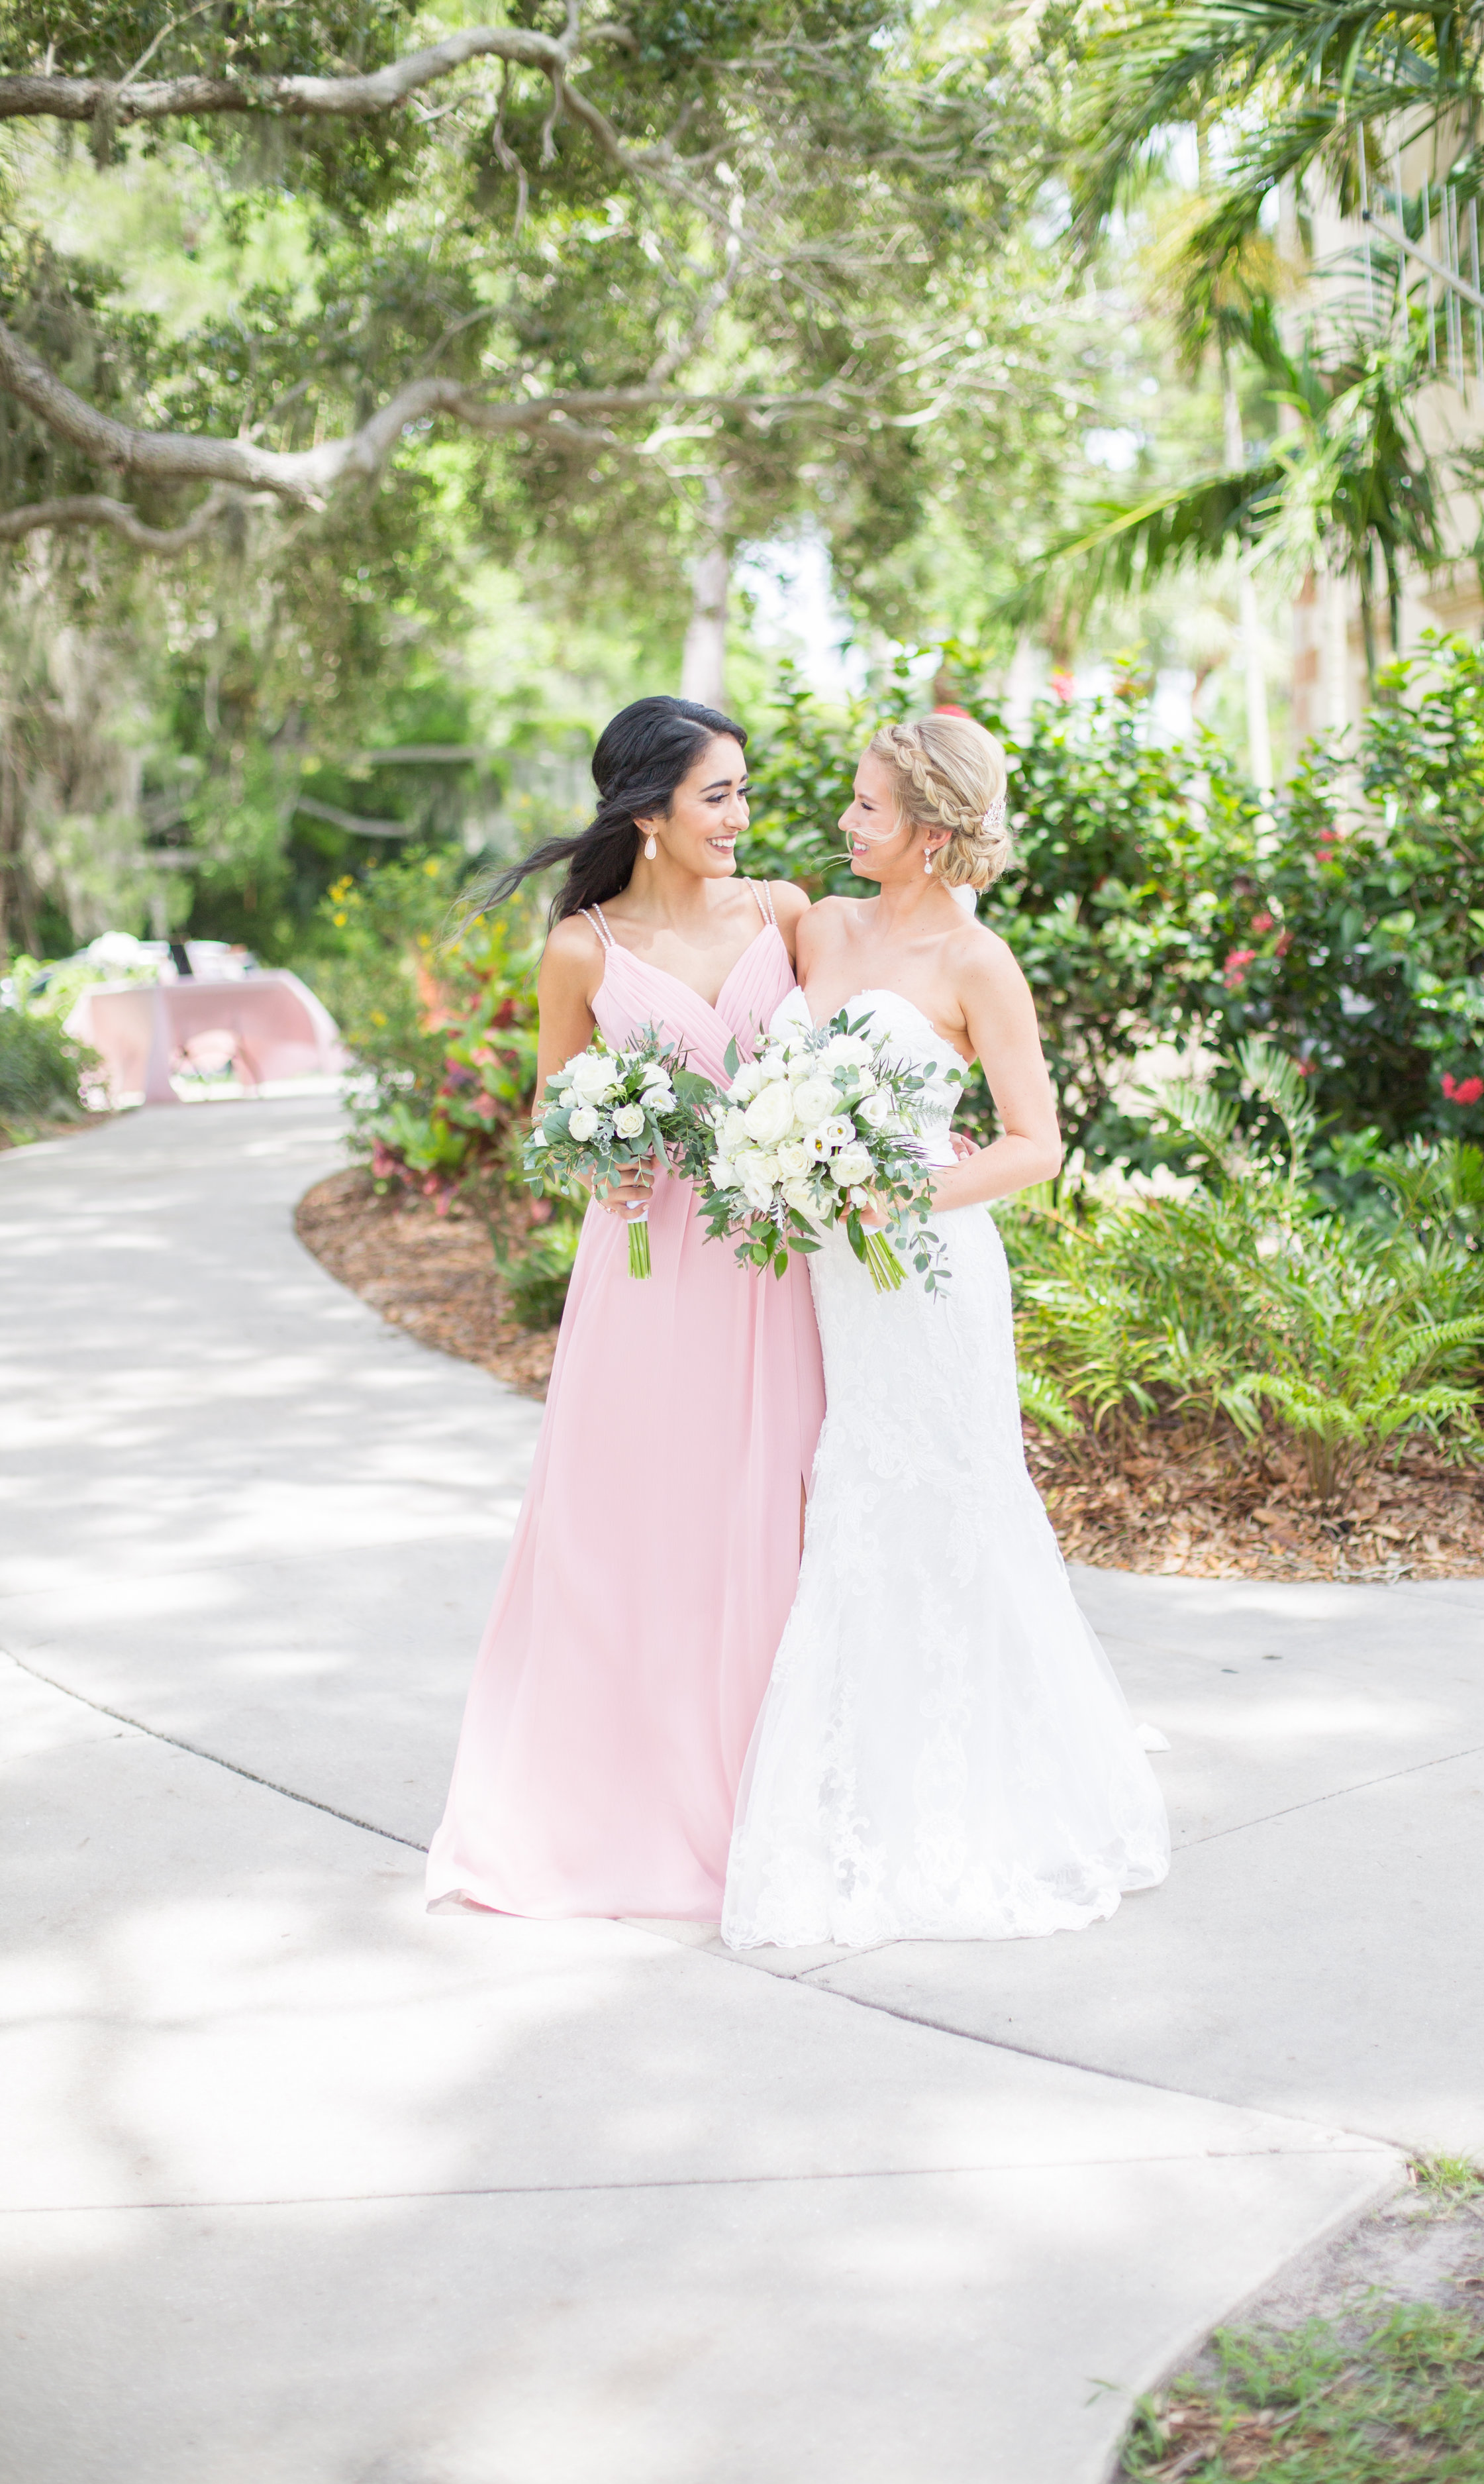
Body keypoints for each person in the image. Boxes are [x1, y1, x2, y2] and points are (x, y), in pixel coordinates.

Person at [721, 713, 1171, 1949]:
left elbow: (1036, 1142)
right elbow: (709, 903)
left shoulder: (979, 962)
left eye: (868, 808)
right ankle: (856, 1775)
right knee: (856, 1496)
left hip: (926, 1273)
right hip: (830, 1272)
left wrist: (901, 1184)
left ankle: (983, 1789)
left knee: (952, 1504)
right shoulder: (817, 920)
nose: (846, 822)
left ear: (928, 830)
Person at [427, 697, 825, 1920]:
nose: (741, 818)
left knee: (772, 1517)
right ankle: (621, 1800)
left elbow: (860, 1048)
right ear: (647, 813)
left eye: (746, 793)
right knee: (638, 1526)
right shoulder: (584, 949)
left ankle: (781, 1788)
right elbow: (555, 1114)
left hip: (777, 1263)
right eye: (720, 796)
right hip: (650, 1273)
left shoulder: (788, 913)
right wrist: (607, 1153)